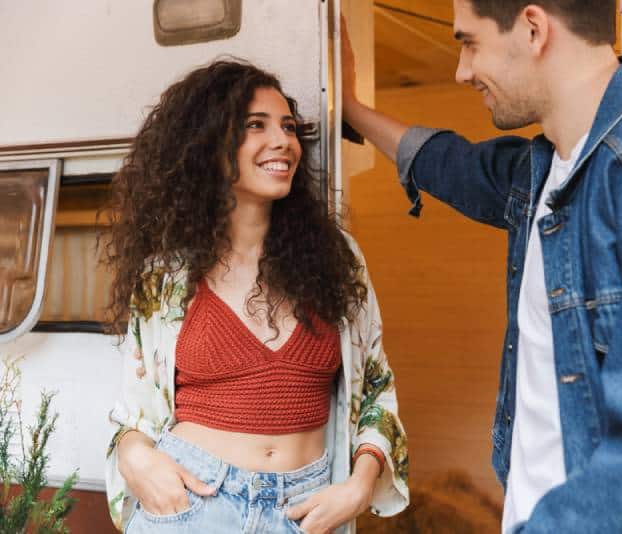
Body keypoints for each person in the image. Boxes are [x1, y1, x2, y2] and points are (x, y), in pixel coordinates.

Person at [341, 0, 622, 531]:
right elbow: (455, 167)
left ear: (534, 29)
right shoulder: (550, 169)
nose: (462, 70)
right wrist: (350, 109)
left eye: (469, 43)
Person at [103, 59, 409, 534]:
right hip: (195, 504)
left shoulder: (336, 258)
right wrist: (135, 457)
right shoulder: (165, 274)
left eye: (288, 126)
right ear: (207, 145)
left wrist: (360, 484)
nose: (283, 141)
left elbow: (375, 387)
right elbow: (136, 410)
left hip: (307, 510)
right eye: (255, 126)